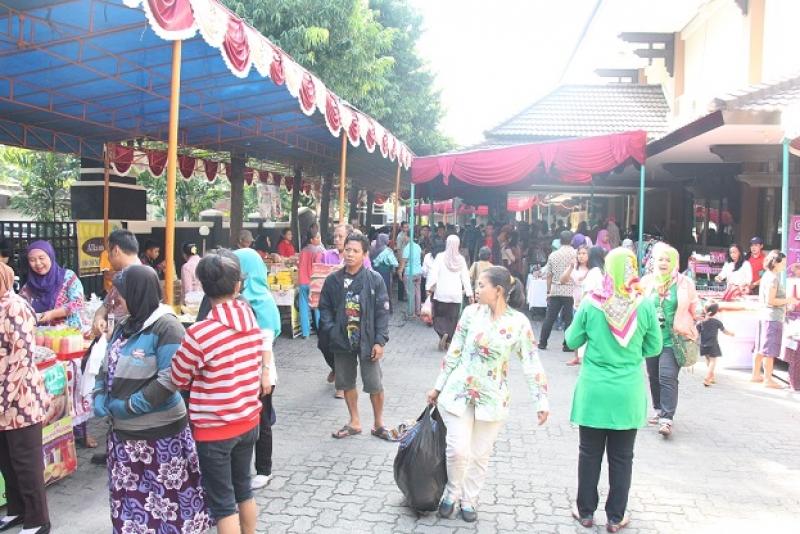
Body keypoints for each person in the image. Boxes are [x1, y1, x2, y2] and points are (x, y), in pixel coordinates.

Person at [427, 266, 549, 523]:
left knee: (480, 454)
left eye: (481, 285)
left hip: (493, 398)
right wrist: (437, 386)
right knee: (458, 450)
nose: (477, 289)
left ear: (499, 291)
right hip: (459, 393)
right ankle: (451, 492)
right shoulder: (470, 313)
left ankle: (469, 499)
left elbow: (531, 362)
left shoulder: (519, 323)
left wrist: (541, 400)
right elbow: (454, 352)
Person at [93, 265, 209, 533]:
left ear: (136, 292)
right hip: (124, 439)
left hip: (161, 440)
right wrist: (100, 393)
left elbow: (171, 379)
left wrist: (130, 406)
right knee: (132, 507)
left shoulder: (167, 327)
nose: (114, 299)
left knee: (168, 508)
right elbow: (105, 364)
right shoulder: (125, 324)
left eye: (119, 293)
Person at [565, 248, 662, 532]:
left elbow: (571, 339)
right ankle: (616, 517)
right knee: (622, 458)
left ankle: (585, 513)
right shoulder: (643, 305)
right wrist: (632, 353)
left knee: (589, 454)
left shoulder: (590, 303)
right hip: (627, 393)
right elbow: (654, 347)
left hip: (594, 391)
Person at [172, 252, 266, 534]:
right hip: (249, 421)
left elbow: (178, 378)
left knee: (223, 505)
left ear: (202, 286)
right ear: (237, 286)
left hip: (215, 431)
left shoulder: (200, 333)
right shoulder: (251, 321)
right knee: (244, 491)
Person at [318, 233, 390, 440]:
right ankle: (355, 422)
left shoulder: (374, 280)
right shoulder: (333, 280)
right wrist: (332, 330)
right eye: (347, 249)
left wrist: (380, 341)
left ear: (364, 254)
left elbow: (383, 312)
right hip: (341, 341)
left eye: (355, 251)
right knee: (346, 382)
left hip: (368, 341)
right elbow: (325, 308)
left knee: (374, 384)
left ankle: (378, 424)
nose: (349, 254)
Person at [0, 263, 51, 534]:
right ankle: (17, 510)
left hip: (19, 399)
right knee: (6, 460)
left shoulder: (15, 307)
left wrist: (2, 400)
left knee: (25, 461)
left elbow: (20, 358)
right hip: (2, 401)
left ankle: (38, 519)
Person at [232, 248, 282, 490]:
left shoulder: (262, 299)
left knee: (262, 421)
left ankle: (264, 469)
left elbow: (267, 340)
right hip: (241, 371)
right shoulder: (236, 298)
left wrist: (263, 372)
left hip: (261, 372)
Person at [641, 243, 699, 437]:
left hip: (673, 339)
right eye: (660, 259)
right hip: (651, 339)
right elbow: (637, 304)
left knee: (667, 376)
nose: (664, 263)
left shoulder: (684, 283)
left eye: (668, 259)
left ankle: (667, 419)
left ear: (675, 262)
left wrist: (700, 313)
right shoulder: (647, 282)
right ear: (654, 261)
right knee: (653, 376)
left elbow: (694, 305)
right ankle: (658, 409)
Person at [20, 240, 84, 329]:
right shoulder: (28, 286)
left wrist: (52, 314)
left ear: (50, 257)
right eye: (32, 260)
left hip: (68, 334)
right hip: (39, 336)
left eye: (41, 258)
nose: (38, 263)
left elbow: (78, 303)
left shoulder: (68, 277)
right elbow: (20, 308)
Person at [426, 235, 473, 351]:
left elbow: (433, 274)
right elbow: (465, 278)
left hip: (441, 293)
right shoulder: (461, 259)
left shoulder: (440, 257)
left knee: (438, 316)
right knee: (452, 318)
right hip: (455, 294)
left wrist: (429, 287)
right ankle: (448, 340)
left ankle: (442, 334)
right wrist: (469, 294)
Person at [752, 250, 792, 388]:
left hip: (764, 316)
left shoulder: (766, 276)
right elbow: (771, 300)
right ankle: (768, 379)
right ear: (775, 263)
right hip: (772, 318)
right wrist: (788, 300)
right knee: (770, 350)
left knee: (760, 347)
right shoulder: (773, 278)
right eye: (783, 263)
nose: (785, 266)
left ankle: (756, 374)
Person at [538, 231, 577, 352]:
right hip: (570, 290)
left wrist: (548, 290)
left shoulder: (553, 255)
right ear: (571, 241)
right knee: (568, 319)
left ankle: (543, 343)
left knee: (550, 317)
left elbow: (549, 274)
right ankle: (567, 344)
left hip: (555, 289)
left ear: (560, 241)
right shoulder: (576, 254)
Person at [561, 245, 590, 366]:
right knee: (577, 330)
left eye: (584, 253)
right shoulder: (575, 269)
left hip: (588, 304)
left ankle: (588, 357)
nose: (581, 256)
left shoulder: (593, 270)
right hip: (576, 303)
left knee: (588, 331)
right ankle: (576, 356)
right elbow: (562, 280)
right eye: (579, 253)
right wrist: (570, 267)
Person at [698, 302, 734, 387]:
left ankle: (712, 377)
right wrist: (731, 334)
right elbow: (724, 331)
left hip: (703, 344)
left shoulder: (701, 322)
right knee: (713, 361)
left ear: (705, 310)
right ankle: (707, 378)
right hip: (713, 344)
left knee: (708, 360)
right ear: (716, 312)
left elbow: (697, 332)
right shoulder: (717, 322)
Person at [298, 231, 324, 337]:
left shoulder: (303, 250)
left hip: (302, 281)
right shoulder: (318, 251)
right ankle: (320, 331)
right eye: (317, 237)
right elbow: (319, 266)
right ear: (311, 240)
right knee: (317, 306)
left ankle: (305, 332)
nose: (319, 239)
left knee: (303, 307)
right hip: (314, 282)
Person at [370, 234, 398, 308]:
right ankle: (386, 307)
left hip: (374, 272)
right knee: (385, 289)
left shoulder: (372, 249)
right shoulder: (387, 250)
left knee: (376, 290)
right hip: (385, 273)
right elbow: (395, 263)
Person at [398, 236, 423, 316]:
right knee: (417, 292)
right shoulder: (418, 246)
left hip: (409, 273)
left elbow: (404, 262)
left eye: (405, 236)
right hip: (418, 272)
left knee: (410, 293)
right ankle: (418, 311)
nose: (404, 238)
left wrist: (400, 271)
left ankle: (411, 312)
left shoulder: (407, 248)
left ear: (408, 237)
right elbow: (421, 254)